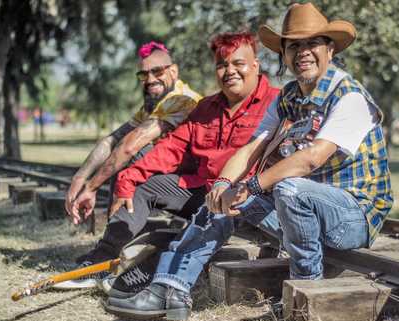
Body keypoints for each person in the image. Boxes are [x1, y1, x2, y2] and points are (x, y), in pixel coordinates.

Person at [103, 3, 393, 321]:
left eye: (312, 43)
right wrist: (225, 187)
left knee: (289, 188)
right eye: (294, 45)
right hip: (303, 207)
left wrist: (251, 185)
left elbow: (310, 159)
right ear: (283, 53)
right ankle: (170, 288)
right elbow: (251, 147)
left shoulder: (348, 95)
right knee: (222, 202)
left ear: (330, 48)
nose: (303, 52)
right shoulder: (289, 97)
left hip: (353, 216)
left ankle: (307, 292)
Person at [61, 32, 279, 293]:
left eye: (238, 63)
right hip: (204, 192)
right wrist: (128, 179)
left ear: (255, 65)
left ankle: (148, 275)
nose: (229, 71)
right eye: (222, 65)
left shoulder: (276, 102)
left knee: (197, 225)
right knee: (143, 186)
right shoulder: (206, 107)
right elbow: (172, 147)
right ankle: (102, 261)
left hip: (247, 199)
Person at [66, 41, 201, 224]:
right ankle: (115, 231)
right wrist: (79, 177)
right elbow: (112, 140)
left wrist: (91, 187)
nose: (150, 79)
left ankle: (116, 235)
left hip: (194, 187)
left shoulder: (182, 99)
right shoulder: (153, 105)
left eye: (157, 71)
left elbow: (129, 147)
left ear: (173, 71)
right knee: (121, 151)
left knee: (130, 152)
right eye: (144, 74)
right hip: (173, 176)